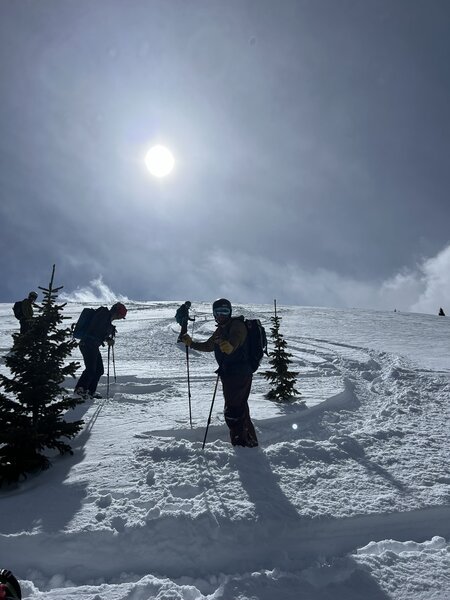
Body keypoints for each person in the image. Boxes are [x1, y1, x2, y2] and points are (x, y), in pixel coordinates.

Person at [182, 298, 258, 447]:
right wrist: (192, 344)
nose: (221, 315)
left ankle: (242, 446)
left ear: (230, 312)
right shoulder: (221, 330)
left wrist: (231, 346)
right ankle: (250, 441)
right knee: (240, 407)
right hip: (230, 374)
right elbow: (209, 346)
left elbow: (238, 337)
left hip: (238, 374)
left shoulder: (237, 325)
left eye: (225, 311)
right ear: (214, 314)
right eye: (218, 312)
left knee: (233, 411)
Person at [74, 302, 127, 399]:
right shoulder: (103, 314)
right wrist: (108, 336)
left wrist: (108, 337)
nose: (119, 318)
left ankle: (90, 392)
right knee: (91, 369)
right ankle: (80, 390)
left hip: (92, 345)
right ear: (117, 313)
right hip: (88, 344)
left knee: (99, 370)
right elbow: (97, 330)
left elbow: (98, 331)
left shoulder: (106, 317)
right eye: (120, 316)